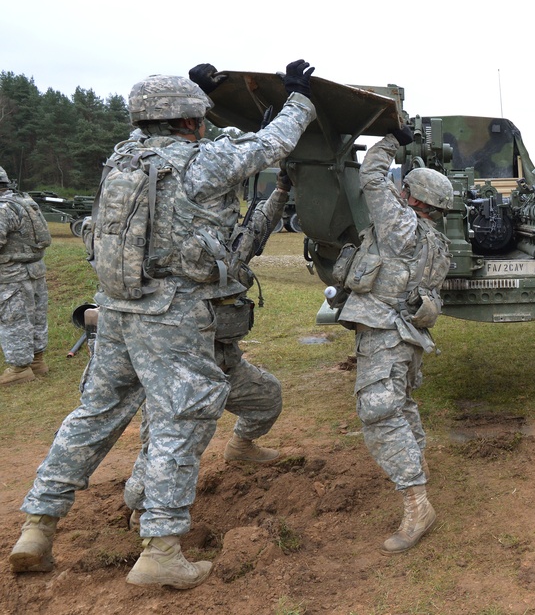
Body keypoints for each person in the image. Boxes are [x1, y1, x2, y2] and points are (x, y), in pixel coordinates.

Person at [9, 61, 317, 589]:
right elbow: (273, 144)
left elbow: (178, 139)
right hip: (171, 312)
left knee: (93, 414)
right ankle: (161, 548)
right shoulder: (204, 163)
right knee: (182, 416)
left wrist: (196, 93)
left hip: (117, 307)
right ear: (193, 122)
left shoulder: (123, 158)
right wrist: (299, 98)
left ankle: (37, 527)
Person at [124, 163, 297, 530]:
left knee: (268, 398)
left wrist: (281, 191)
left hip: (224, 365)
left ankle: (241, 446)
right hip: (180, 372)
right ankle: (142, 507)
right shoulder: (166, 259)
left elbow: (257, 227)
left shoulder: (226, 254)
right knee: (167, 443)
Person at [337, 130, 453, 554]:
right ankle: (416, 465)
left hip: (385, 335)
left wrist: (392, 140)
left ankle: (417, 503)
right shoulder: (439, 245)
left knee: (379, 413)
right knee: (400, 405)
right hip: (407, 338)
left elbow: (370, 175)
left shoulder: (398, 223)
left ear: (411, 196)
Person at [0, 166, 50, 386]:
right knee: (36, 317)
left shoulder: (2, 208)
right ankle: (37, 361)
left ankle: (20, 369)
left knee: (14, 320)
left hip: (11, 273)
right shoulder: (26, 201)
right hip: (34, 269)